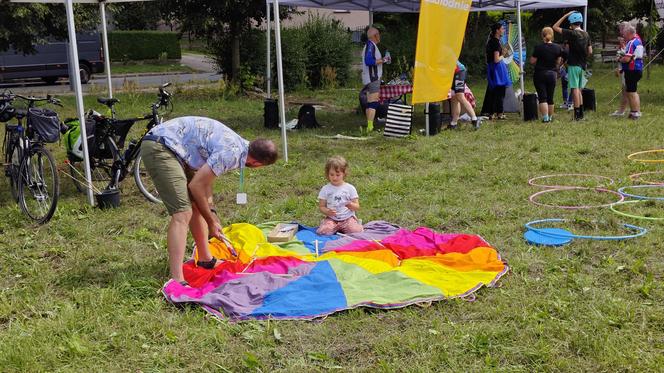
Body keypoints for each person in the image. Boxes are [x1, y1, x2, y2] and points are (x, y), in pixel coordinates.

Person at [140, 116, 278, 285]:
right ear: (257, 163)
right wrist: (211, 222)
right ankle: (177, 278)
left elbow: (205, 185)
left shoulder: (240, 146)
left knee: (198, 206)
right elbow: (196, 186)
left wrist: (212, 214)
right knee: (183, 212)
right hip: (161, 146)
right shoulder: (231, 153)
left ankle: (206, 259)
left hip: (177, 148)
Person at [553, 11, 592, 121]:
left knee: (574, 89)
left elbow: (555, 27)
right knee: (579, 89)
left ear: (572, 22)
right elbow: (590, 51)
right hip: (583, 65)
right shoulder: (586, 34)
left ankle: (576, 115)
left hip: (574, 64)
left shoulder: (571, 33)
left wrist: (565, 15)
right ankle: (581, 114)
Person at [316, 156, 363, 236]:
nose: (334, 177)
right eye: (332, 175)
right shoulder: (326, 189)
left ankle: (356, 223)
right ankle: (325, 223)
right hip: (332, 219)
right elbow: (321, 206)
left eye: (338, 175)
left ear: (344, 173)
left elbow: (357, 206)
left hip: (347, 218)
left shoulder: (350, 188)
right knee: (323, 232)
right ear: (327, 174)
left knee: (356, 232)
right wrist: (327, 211)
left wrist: (351, 205)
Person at [530, 27, 563, 123]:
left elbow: (532, 61)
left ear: (542, 35)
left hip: (540, 74)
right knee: (550, 98)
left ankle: (545, 118)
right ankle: (550, 117)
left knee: (542, 97)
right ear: (552, 35)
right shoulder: (557, 47)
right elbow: (558, 61)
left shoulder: (538, 47)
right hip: (552, 74)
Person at [362, 26, 391, 133]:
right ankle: (370, 127)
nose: (380, 36)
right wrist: (384, 59)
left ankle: (369, 125)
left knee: (370, 102)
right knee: (373, 102)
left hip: (370, 77)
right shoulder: (370, 45)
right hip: (373, 78)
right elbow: (369, 61)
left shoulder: (371, 45)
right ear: (375, 35)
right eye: (378, 34)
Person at [611, 22, 643, 117]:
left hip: (632, 69)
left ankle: (635, 112)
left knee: (631, 92)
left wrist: (620, 59)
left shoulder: (632, 42)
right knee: (631, 91)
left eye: (624, 33)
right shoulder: (638, 40)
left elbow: (627, 58)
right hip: (636, 69)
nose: (623, 35)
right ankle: (635, 111)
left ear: (629, 33)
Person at [483, 22, 511, 120]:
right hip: (497, 68)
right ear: (497, 31)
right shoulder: (495, 42)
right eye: (502, 29)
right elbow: (496, 59)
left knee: (494, 91)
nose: (503, 30)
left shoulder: (492, 41)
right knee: (499, 91)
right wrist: (503, 55)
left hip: (493, 68)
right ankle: (498, 113)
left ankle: (493, 112)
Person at [447, 60, 481, 130]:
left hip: (459, 71)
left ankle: (474, 119)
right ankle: (454, 123)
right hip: (452, 73)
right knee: (454, 97)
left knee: (460, 96)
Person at [559, 42, 572, 109]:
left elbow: (562, 61)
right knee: (570, 86)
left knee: (566, 86)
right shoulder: (566, 51)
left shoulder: (565, 51)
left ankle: (568, 102)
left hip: (569, 69)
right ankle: (568, 102)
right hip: (568, 69)